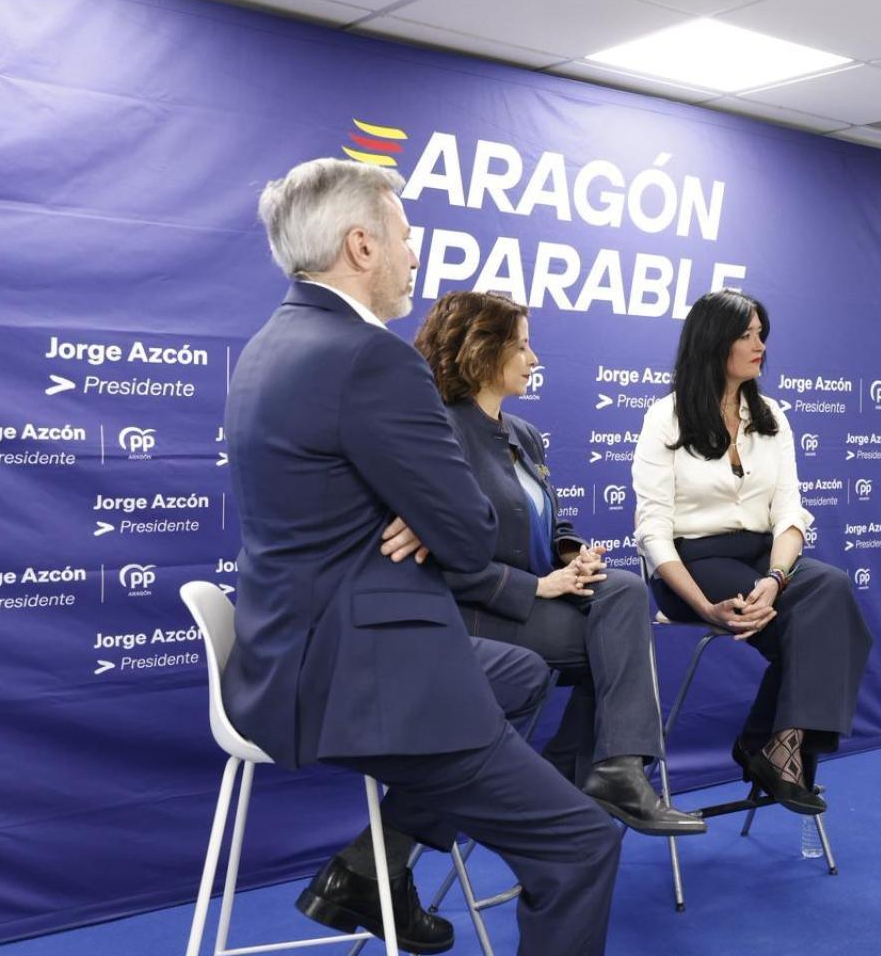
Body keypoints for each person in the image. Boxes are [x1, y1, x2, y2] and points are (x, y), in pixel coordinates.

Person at [223, 157, 620, 956]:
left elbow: (416, 511)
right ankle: (377, 867)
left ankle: (375, 866)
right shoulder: (371, 358)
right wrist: (429, 514)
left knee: (523, 671)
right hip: (363, 678)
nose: (413, 255)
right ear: (363, 247)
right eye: (405, 238)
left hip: (288, 658)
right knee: (582, 844)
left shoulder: (270, 343)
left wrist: (422, 512)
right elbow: (471, 534)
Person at [411, 289, 704, 837]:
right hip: (475, 612)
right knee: (619, 645)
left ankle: (594, 774)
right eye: (521, 347)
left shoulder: (524, 435)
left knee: (620, 592)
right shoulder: (441, 432)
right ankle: (591, 775)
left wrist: (572, 556)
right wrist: (537, 588)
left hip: (538, 603)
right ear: (481, 352)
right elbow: (437, 555)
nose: (534, 359)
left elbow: (549, 524)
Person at [631, 288, 873, 814]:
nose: (759, 344)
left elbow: (790, 515)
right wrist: (702, 607)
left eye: (762, 333)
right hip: (691, 565)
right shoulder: (665, 418)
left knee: (831, 589)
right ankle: (773, 745)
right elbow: (653, 531)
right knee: (804, 632)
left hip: (763, 557)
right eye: (746, 335)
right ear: (713, 341)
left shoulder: (772, 417)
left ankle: (773, 744)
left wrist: (777, 579)